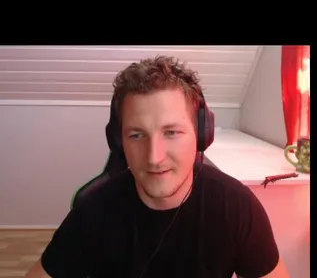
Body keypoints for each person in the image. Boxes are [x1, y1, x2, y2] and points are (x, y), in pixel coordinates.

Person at [27, 55, 289, 278]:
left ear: (201, 134)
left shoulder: (237, 208)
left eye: (171, 132)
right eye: (137, 135)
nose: (154, 157)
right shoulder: (93, 212)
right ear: (118, 141)